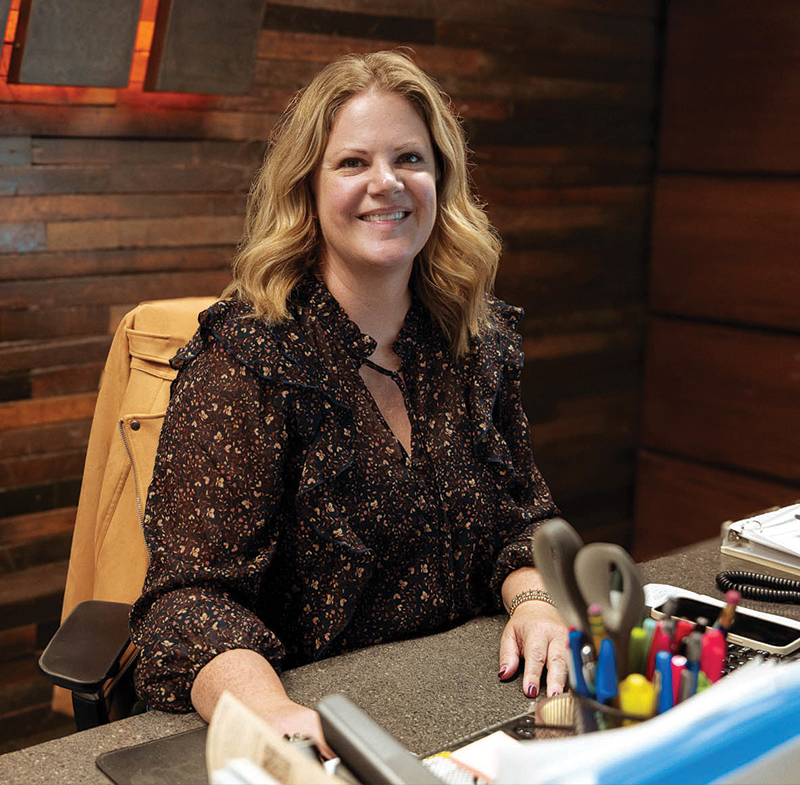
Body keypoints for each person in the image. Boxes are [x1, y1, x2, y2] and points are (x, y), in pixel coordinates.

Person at [129, 50, 569, 753]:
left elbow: (520, 523)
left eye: (410, 159)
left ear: (441, 181)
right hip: (323, 723)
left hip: (476, 700)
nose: (386, 183)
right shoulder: (247, 364)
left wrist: (537, 603)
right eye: (352, 163)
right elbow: (191, 603)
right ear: (307, 187)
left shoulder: (477, 343)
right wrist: (266, 712)